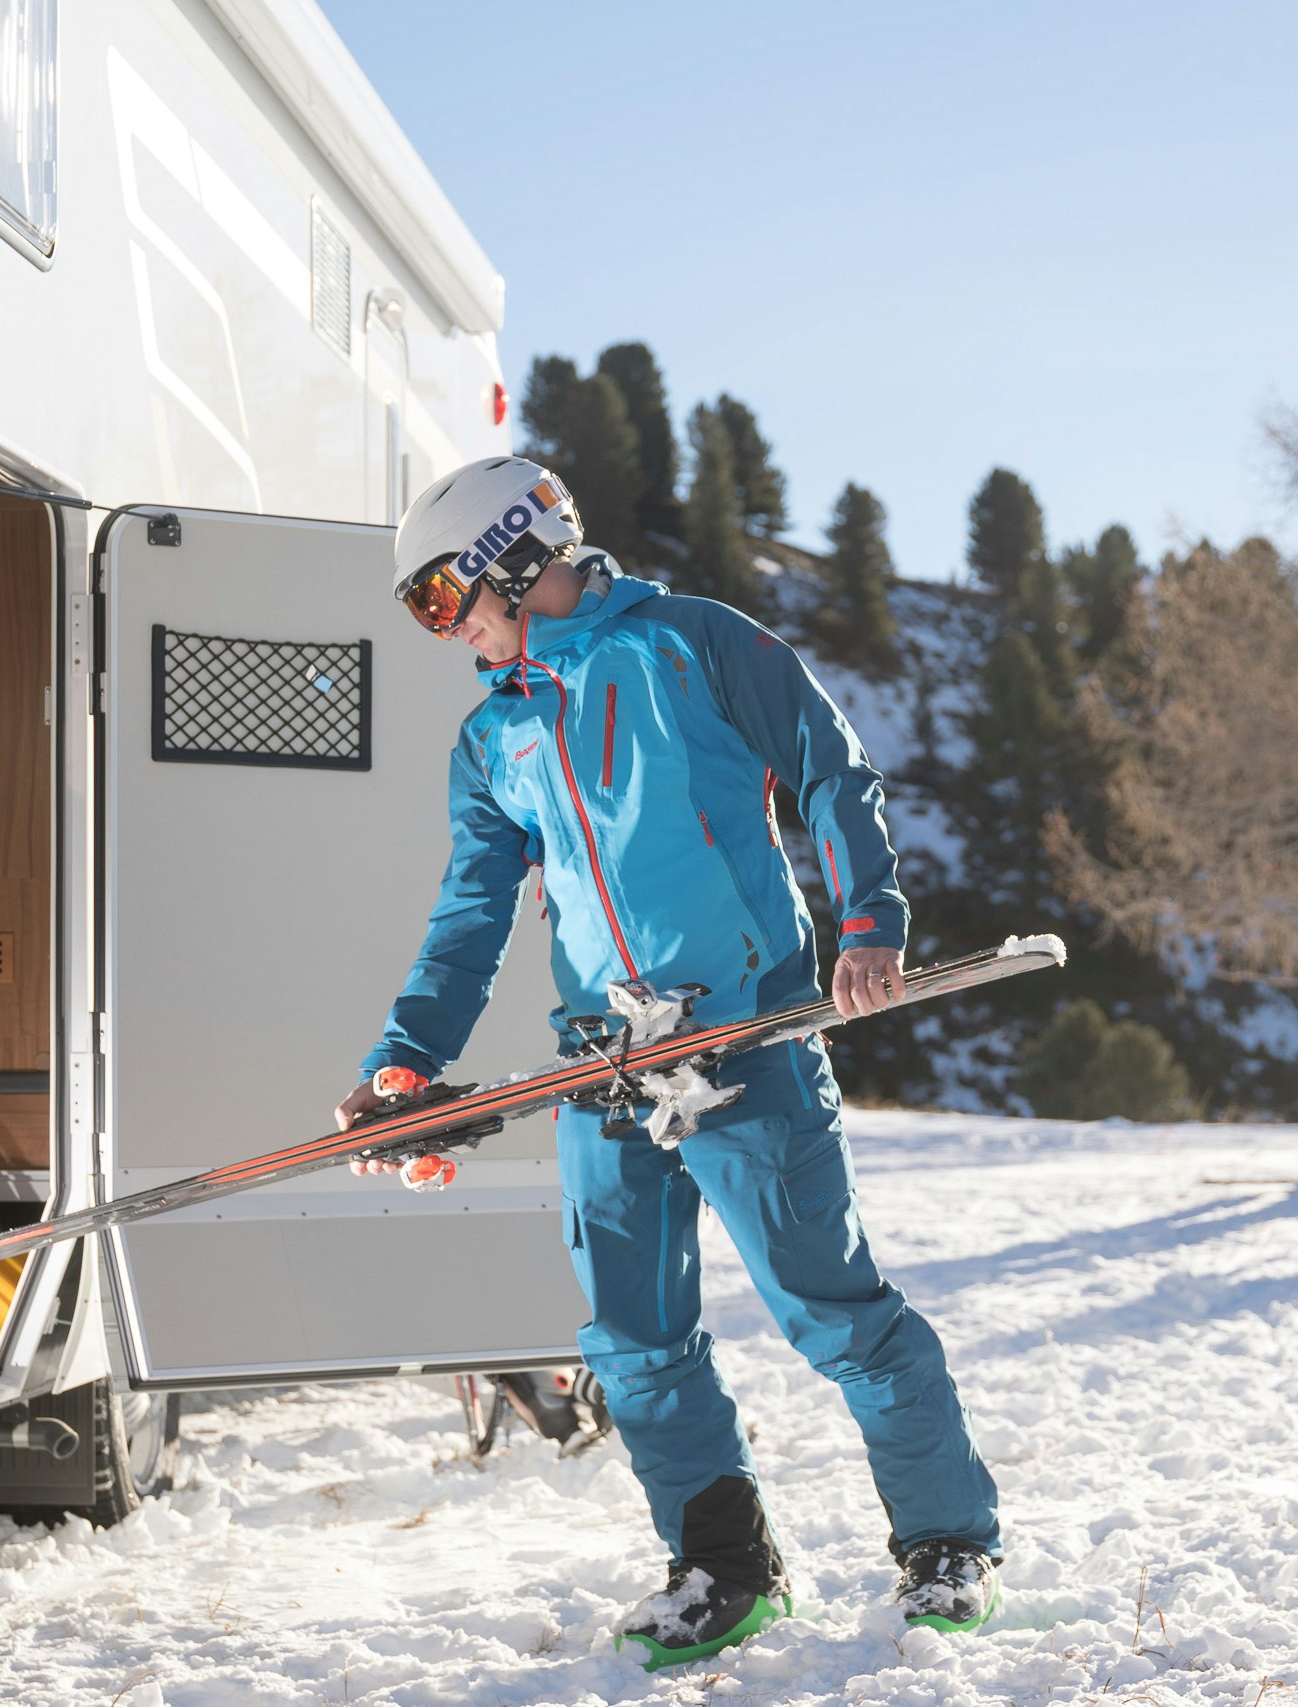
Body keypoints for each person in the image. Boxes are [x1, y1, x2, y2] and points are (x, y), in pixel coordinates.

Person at [334, 457, 1002, 1667]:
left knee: (834, 1315)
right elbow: (470, 916)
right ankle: (722, 1567)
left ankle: (948, 1543)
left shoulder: (692, 644)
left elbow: (828, 767)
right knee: (633, 1342)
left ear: (513, 558)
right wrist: (405, 1065)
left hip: (746, 1036)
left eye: (444, 598)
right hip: (603, 1060)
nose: (448, 630)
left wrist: (867, 921)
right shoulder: (496, 735)